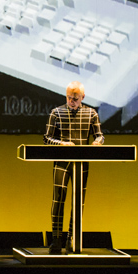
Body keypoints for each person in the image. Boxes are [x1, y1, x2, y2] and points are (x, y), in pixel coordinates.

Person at [44, 81, 104, 255]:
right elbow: (47, 138)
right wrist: (61, 143)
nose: (72, 101)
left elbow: (100, 135)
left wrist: (97, 143)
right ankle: (56, 239)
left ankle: (72, 237)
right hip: (62, 161)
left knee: (78, 201)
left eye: (75, 98)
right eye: (69, 98)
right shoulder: (56, 113)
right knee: (58, 198)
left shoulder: (91, 113)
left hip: (82, 162)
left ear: (82, 97)